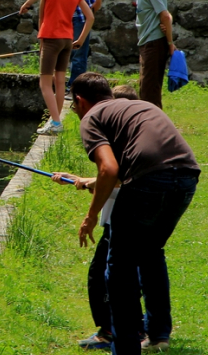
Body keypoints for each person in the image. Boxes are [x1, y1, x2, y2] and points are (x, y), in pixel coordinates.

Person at [70, 72, 200, 354]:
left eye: (73, 105)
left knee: (119, 269)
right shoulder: (143, 107)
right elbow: (135, 161)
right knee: (151, 253)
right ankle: (157, 334)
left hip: (150, 182)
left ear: (80, 101)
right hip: (187, 178)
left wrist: (90, 217)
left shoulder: (92, 118)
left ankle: (126, 348)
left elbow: (109, 169)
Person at [49, 84, 140, 351]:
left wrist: (89, 211)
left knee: (102, 275)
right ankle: (131, 327)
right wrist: (79, 180)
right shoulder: (132, 136)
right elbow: (114, 177)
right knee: (127, 274)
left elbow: (114, 179)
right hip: (131, 216)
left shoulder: (111, 133)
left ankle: (109, 331)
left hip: (119, 222)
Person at [20, 0, 94, 135]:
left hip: (51, 40)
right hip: (67, 40)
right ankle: (56, 120)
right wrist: (81, 40)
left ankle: (55, 122)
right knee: (60, 81)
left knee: (45, 83)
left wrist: (27, 6)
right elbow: (90, 17)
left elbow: (42, 17)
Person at [122, 0, 173, 109]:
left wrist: (170, 43)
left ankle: (153, 126)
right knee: (146, 87)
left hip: (154, 43)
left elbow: (165, 15)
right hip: (148, 43)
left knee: (148, 91)